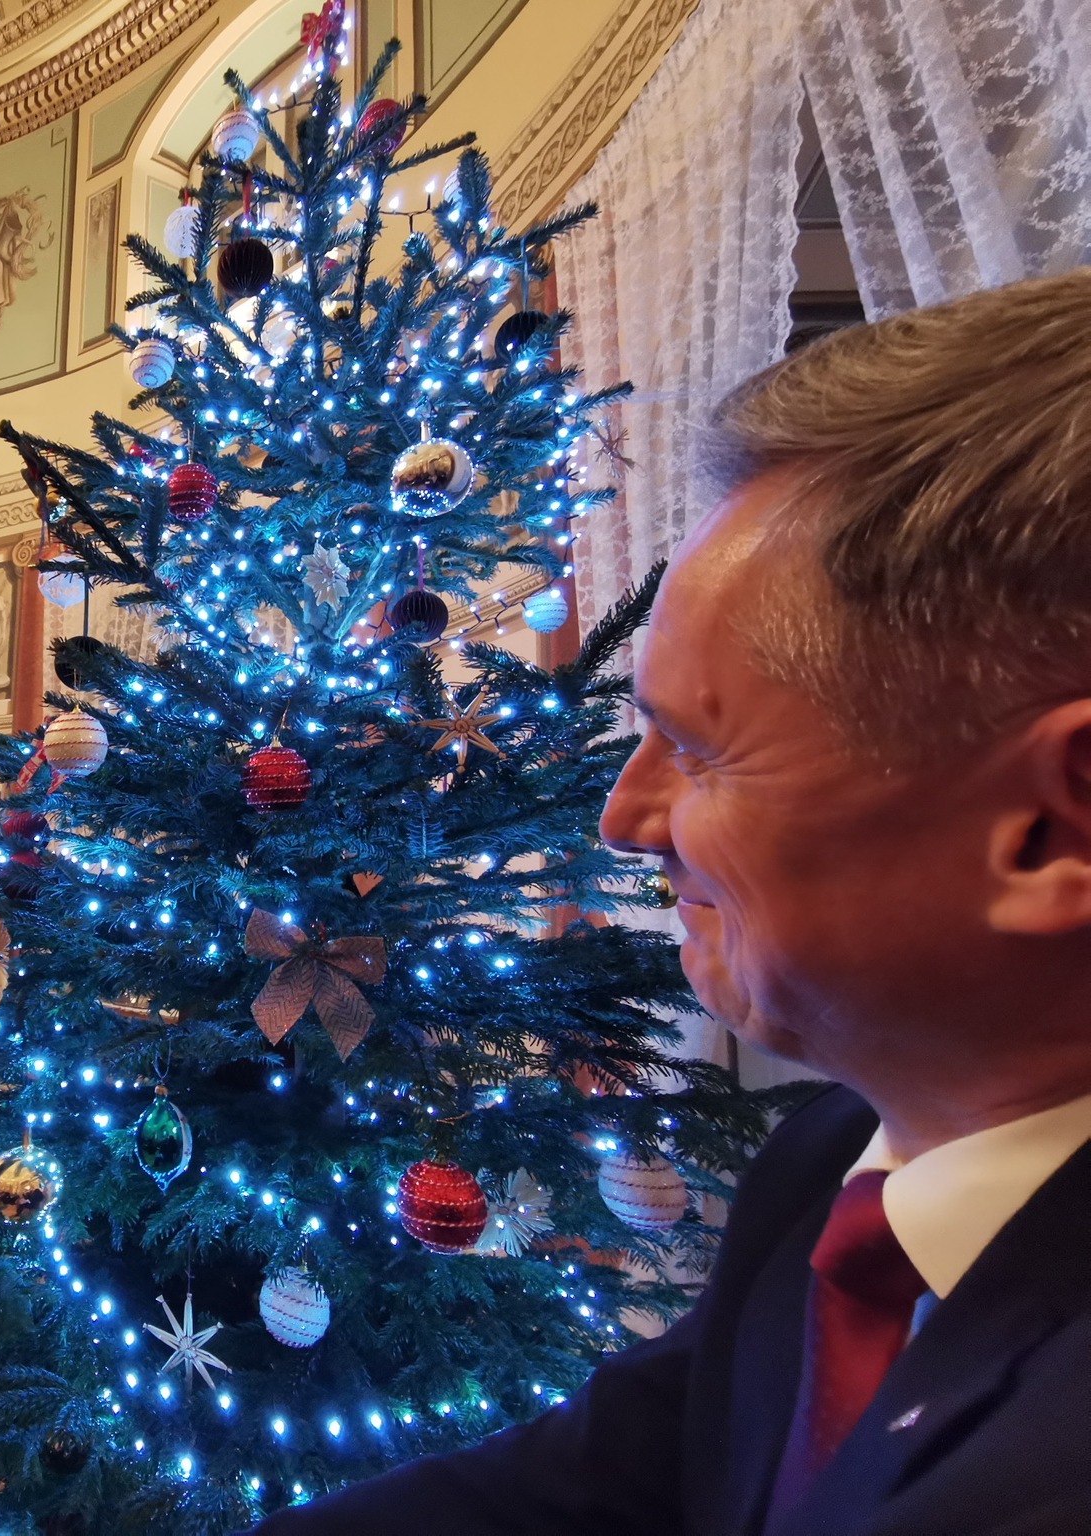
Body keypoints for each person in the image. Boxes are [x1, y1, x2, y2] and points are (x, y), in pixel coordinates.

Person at [249, 270, 1091, 1535]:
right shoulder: (830, 1163)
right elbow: (590, 1481)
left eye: (695, 750)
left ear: (1053, 828)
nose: (623, 818)